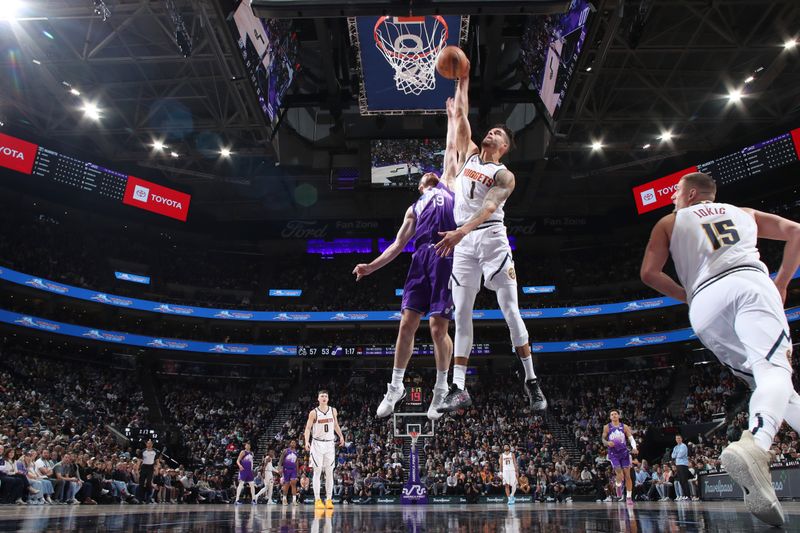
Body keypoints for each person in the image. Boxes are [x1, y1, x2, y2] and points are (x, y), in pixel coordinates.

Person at [640, 171, 800, 527]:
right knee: (775, 371)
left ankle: (760, 480)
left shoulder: (668, 222)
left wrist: (690, 296)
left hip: (705, 306)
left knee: (769, 386)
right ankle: (756, 443)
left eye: (676, 192)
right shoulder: (745, 212)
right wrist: (782, 282)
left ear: (693, 193)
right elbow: (796, 232)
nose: (672, 199)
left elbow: (650, 274)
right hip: (746, 281)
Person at [433, 57, 546, 414]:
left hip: (491, 239)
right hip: (463, 243)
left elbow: (487, 209)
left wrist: (460, 231)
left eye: (499, 133)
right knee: (461, 314)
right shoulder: (467, 157)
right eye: (492, 129)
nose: (492, 132)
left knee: (510, 311)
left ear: (504, 147)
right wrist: (461, 81)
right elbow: (462, 118)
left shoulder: (504, 174)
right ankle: (459, 388)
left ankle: (532, 382)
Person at [354, 97, 462, 420]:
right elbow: (398, 245)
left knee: (437, 329)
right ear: (419, 186)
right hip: (420, 260)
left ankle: (441, 390)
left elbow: (451, 147)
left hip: (445, 254)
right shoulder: (413, 208)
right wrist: (371, 266)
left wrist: (451, 116)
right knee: (406, 324)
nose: (429, 175)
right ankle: (395, 387)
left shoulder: (449, 182)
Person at [304, 389, 345, 511]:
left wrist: (341, 436)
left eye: (326, 396)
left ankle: (328, 499)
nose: (324, 397)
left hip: (329, 445)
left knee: (329, 472)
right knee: (317, 472)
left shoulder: (333, 410)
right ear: (318, 398)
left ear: (328, 398)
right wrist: (306, 441)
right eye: (322, 396)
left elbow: (336, 425)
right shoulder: (313, 413)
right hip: (317, 444)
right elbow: (307, 428)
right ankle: (317, 500)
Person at [601, 409, 637, 506]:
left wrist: (634, 447)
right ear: (610, 417)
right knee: (619, 474)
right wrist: (607, 442)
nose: (614, 415)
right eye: (612, 414)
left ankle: (629, 497)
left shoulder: (624, 426)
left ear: (618, 416)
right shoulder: (607, 427)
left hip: (624, 453)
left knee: (628, 476)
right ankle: (618, 485)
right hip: (613, 454)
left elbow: (631, 438)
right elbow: (603, 439)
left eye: (615, 414)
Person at [279, 440, 301, 505]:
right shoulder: (285, 451)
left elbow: (297, 462)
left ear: (295, 445)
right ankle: (284, 499)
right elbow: (280, 460)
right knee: (287, 484)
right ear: (290, 444)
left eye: (294, 443)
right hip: (286, 469)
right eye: (292, 442)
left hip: (293, 469)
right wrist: (279, 468)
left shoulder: (296, 452)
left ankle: (294, 500)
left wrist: (297, 471)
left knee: (294, 483)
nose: (293, 443)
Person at [138, 439, 158, 504]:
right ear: (146, 444)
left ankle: (148, 498)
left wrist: (156, 469)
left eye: (150, 443)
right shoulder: (143, 451)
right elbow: (139, 460)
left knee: (148, 483)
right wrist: (138, 468)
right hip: (144, 467)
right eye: (148, 443)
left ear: (152, 444)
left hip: (151, 467)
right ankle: (140, 499)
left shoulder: (155, 451)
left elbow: (157, 461)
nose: (149, 444)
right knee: (141, 483)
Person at [671, 435, 690, 501]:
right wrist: (676, 455)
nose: (678, 439)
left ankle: (688, 495)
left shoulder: (683, 446)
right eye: (676, 438)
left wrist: (676, 455)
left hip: (683, 464)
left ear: (681, 439)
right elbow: (673, 455)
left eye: (679, 438)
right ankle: (684, 495)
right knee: (681, 481)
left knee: (684, 480)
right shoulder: (675, 447)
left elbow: (680, 455)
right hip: (678, 464)